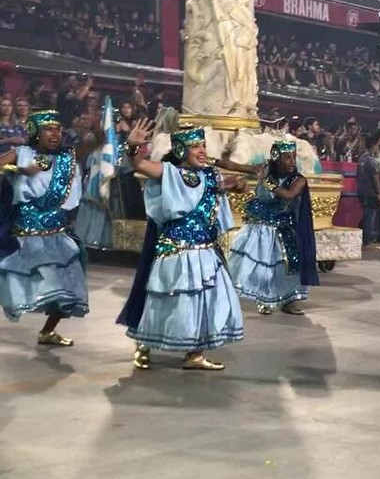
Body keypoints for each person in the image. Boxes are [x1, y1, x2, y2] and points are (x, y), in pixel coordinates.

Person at [118, 120, 246, 370]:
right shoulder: (169, 172)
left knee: (205, 301)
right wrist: (133, 147)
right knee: (167, 302)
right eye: (194, 146)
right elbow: (140, 164)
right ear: (179, 151)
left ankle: (195, 354)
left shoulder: (210, 175)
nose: (201, 151)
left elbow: (227, 185)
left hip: (206, 251)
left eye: (203, 146)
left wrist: (235, 185)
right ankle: (143, 343)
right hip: (176, 252)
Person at [0, 109, 88, 346]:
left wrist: (99, 129)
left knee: (71, 285)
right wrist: (19, 170)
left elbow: (95, 144)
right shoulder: (21, 153)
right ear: (35, 133)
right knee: (13, 279)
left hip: (57, 233)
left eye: (58, 129)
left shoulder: (67, 158)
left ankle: (48, 331)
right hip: (24, 236)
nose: (55, 133)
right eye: (49, 129)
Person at [225, 140, 319, 315]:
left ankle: (290, 300)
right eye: (287, 157)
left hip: (283, 227)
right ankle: (264, 298)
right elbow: (233, 165)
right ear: (276, 158)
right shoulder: (264, 168)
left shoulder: (299, 180)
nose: (292, 161)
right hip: (260, 226)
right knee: (261, 266)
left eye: (293, 157)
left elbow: (288, 194)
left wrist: (268, 183)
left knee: (287, 265)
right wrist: (211, 161)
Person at [357, 131, 380, 245]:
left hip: (361, 191)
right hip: (371, 193)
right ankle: (366, 241)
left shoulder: (362, 158)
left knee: (366, 216)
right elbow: (376, 179)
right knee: (370, 218)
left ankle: (362, 238)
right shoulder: (372, 161)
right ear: (374, 145)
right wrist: (379, 194)